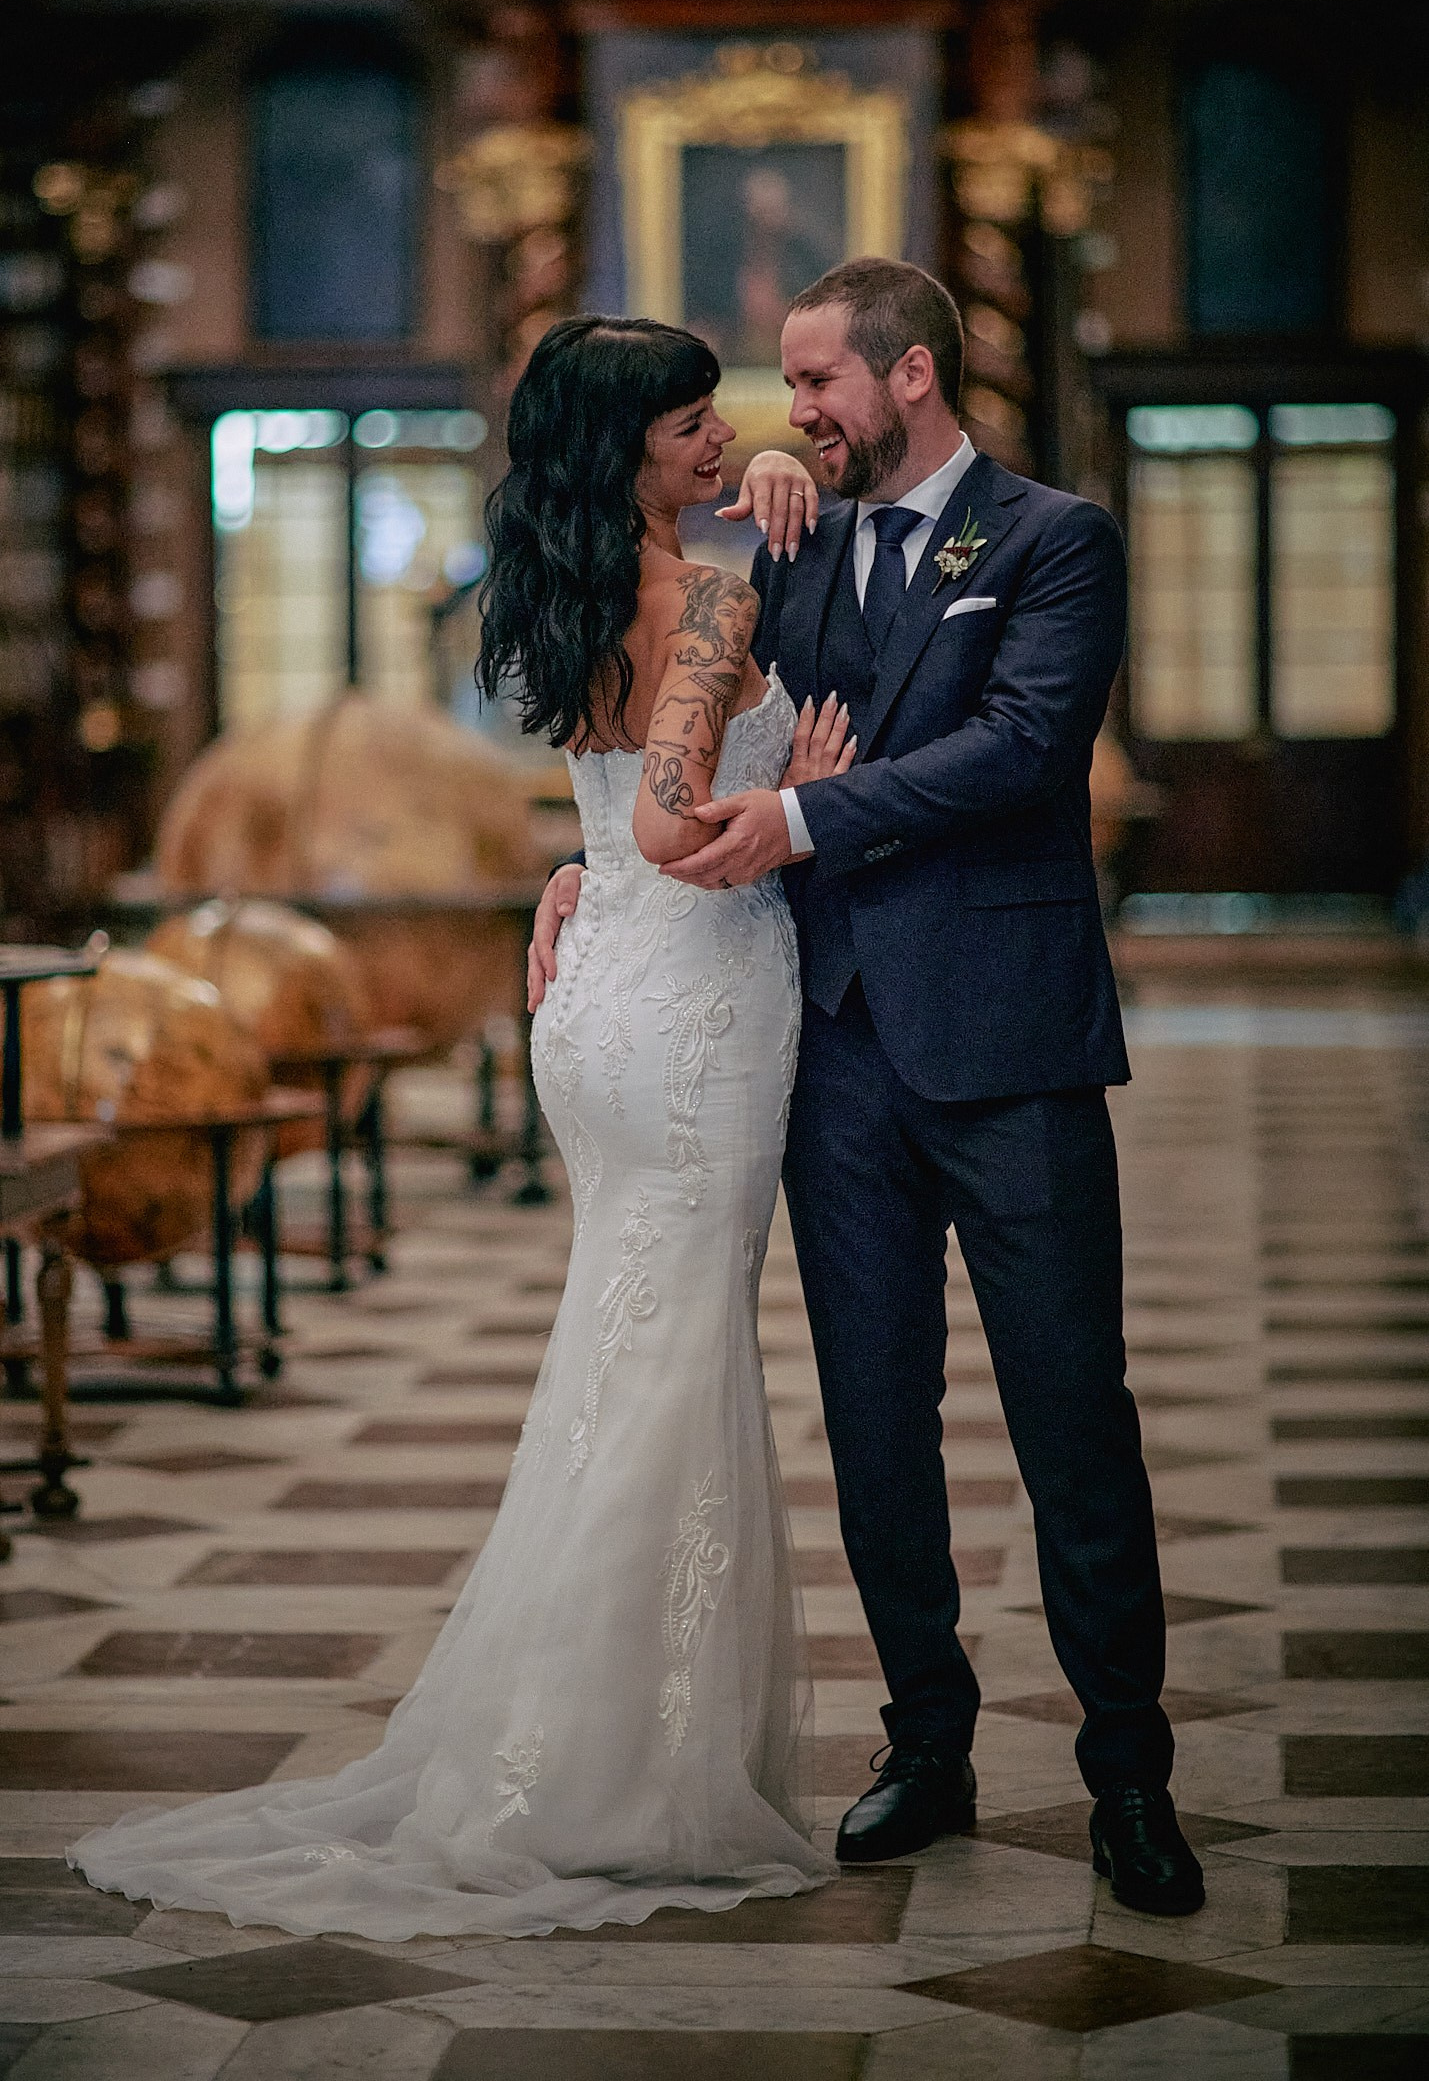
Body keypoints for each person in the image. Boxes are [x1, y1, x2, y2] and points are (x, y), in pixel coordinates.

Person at [69, 314, 854, 1940]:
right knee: (668, 1361)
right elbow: (665, 815)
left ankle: (579, 1737)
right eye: (695, 422)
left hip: (599, 1004)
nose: (721, 438)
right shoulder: (708, 597)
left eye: (725, 417)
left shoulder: (558, 593)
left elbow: (599, 822)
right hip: (695, 1009)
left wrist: (594, 868)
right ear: (625, 443)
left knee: (627, 1359)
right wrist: (814, 795)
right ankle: (623, 1772)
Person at [531, 257, 1205, 1919]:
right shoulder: (793, 550)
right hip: (828, 1048)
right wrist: (590, 866)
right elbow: (674, 735)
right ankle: (928, 1739)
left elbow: (1025, 749)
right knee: (874, 1421)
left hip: (1009, 1043)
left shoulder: (1051, 541)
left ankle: (1128, 1774)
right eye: (777, 387)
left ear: (909, 376)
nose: (792, 412)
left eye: (815, 383)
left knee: (1070, 1417)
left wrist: (806, 823)